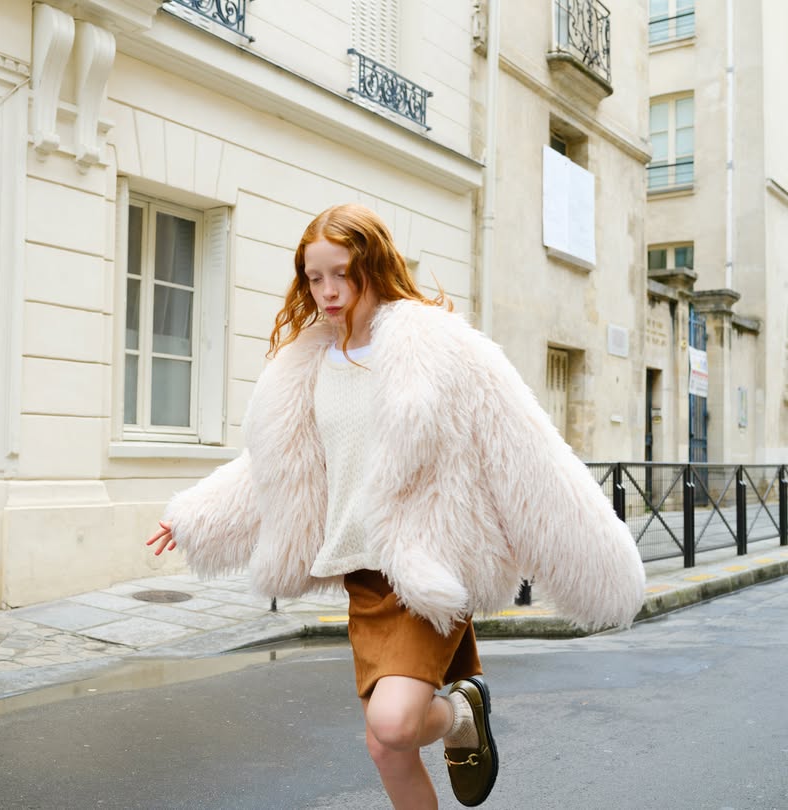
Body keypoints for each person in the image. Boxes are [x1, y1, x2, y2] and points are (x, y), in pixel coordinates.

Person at [145, 203, 646, 809]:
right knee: (387, 749)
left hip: (424, 565)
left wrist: (599, 555)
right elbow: (277, 467)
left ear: (373, 265)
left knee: (394, 725)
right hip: (362, 576)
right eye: (313, 277)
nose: (327, 292)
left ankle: (462, 714)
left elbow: (526, 446)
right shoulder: (308, 363)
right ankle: (459, 718)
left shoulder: (438, 348)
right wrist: (194, 514)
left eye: (342, 273)